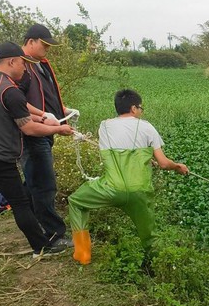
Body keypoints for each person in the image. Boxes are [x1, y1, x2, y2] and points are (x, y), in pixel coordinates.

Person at [0, 41, 73, 260]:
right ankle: (41, 247)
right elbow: (28, 128)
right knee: (20, 203)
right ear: (11, 61)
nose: (24, 68)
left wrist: (45, 117)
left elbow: (14, 111)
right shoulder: (10, 90)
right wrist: (58, 129)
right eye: (22, 63)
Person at [68, 89, 188, 266]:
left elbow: (118, 147)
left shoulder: (104, 126)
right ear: (133, 108)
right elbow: (163, 163)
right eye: (141, 108)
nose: (141, 111)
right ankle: (158, 268)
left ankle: (83, 254)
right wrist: (177, 166)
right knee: (150, 237)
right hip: (139, 193)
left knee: (76, 202)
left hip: (110, 188)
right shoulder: (147, 127)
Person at [20, 23, 79, 247]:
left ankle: (27, 219)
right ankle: (53, 234)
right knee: (44, 184)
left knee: (32, 181)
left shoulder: (40, 65)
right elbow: (17, 103)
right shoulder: (21, 65)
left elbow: (45, 97)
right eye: (44, 44)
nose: (48, 49)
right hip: (32, 133)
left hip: (45, 130)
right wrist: (45, 118)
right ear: (31, 42)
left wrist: (62, 111)